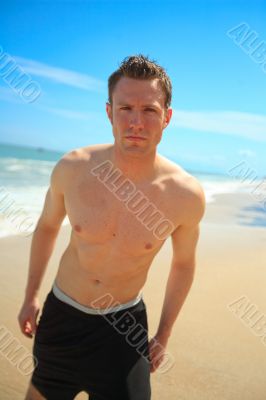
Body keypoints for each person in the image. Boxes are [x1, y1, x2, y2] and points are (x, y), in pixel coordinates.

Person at [18, 54, 205, 400]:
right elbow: (46, 227)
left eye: (149, 110)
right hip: (62, 316)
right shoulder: (73, 168)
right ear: (109, 113)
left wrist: (163, 334)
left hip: (124, 328)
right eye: (125, 108)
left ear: (167, 117)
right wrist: (30, 296)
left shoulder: (185, 195)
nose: (136, 122)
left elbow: (183, 264)